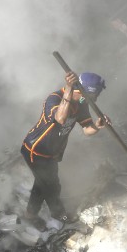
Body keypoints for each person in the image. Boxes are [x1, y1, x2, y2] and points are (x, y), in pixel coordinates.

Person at [20, 70, 108, 225]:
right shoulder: (55, 98)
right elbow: (60, 119)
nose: (96, 99)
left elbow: (87, 130)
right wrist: (68, 88)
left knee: (42, 184)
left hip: (52, 153)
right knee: (52, 186)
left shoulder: (82, 105)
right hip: (36, 150)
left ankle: (30, 215)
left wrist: (97, 126)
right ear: (84, 92)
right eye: (95, 96)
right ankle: (59, 214)